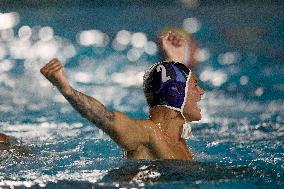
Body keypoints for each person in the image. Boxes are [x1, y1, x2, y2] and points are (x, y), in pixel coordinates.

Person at [40, 31, 204, 160]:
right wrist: (66, 89)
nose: (201, 92)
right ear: (176, 94)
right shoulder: (147, 134)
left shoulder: (176, 138)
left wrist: (174, 61)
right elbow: (103, 117)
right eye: (195, 86)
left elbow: (165, 91)